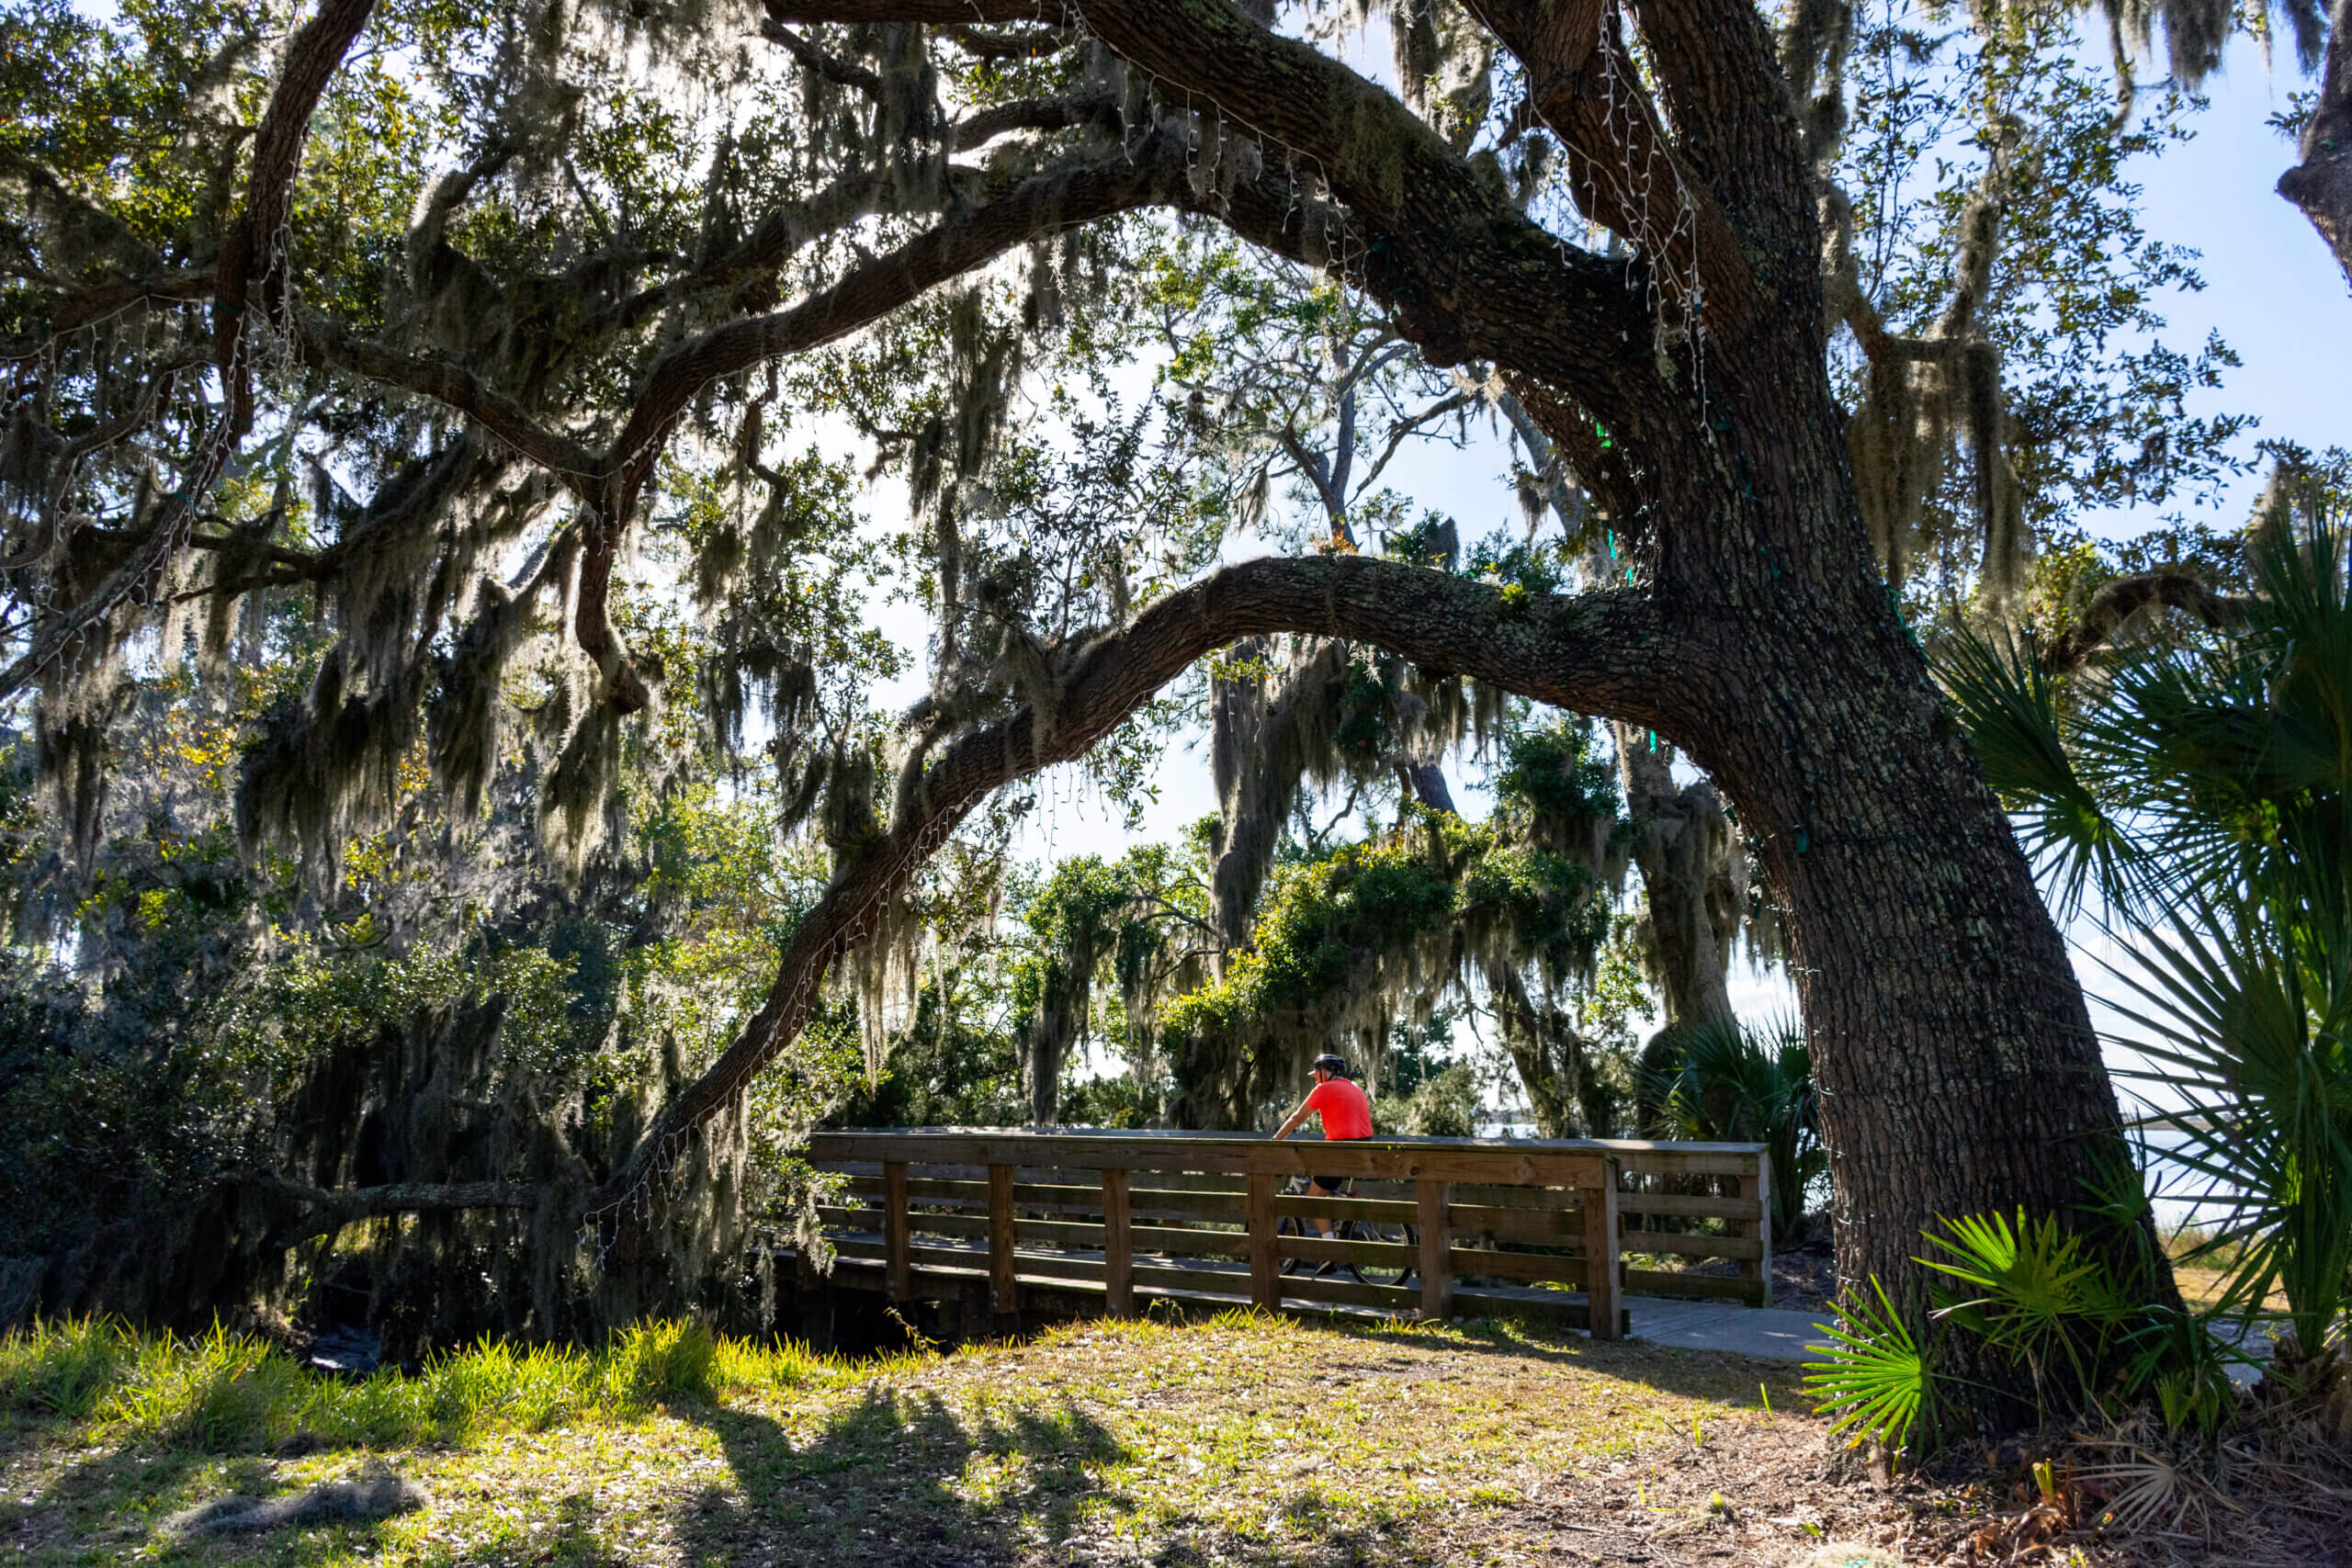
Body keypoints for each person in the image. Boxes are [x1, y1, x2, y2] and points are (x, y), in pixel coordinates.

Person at [1271, 1054, 1374, 1238]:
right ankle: (1337, 1228)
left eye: (1317, 1075)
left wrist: (1275, 1141)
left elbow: (1298, 1117)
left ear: (1326, 1073)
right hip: (1363, 1150)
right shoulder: (1355, 1088)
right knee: (1325, 1186)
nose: (1316, 1080)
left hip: (1339, 1151)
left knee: (1313, 1201)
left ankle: (1330, 1248)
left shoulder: (1324, 1089)